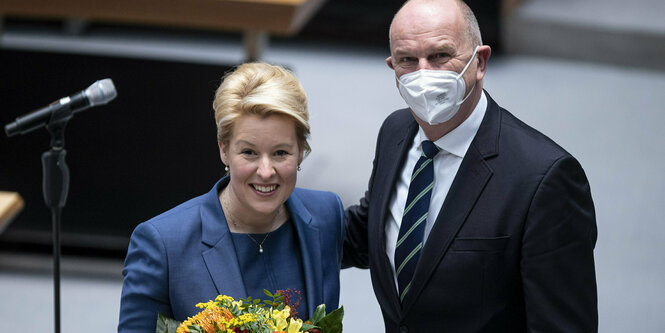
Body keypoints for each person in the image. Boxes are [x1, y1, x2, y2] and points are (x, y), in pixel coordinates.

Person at [343, 0, 598, 332]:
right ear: (393, 68)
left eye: (440, 56)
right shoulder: (395, 132)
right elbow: (369, 234)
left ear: (480, 61)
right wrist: (266, 213)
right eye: (408, 60)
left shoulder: (545, 179)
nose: (424, 74)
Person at [118, 62, 345, 332]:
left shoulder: (326, 215)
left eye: (281, 153)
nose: (265, 171)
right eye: (249, 152)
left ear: (301, 152)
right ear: (224, 151)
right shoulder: (164, 244)